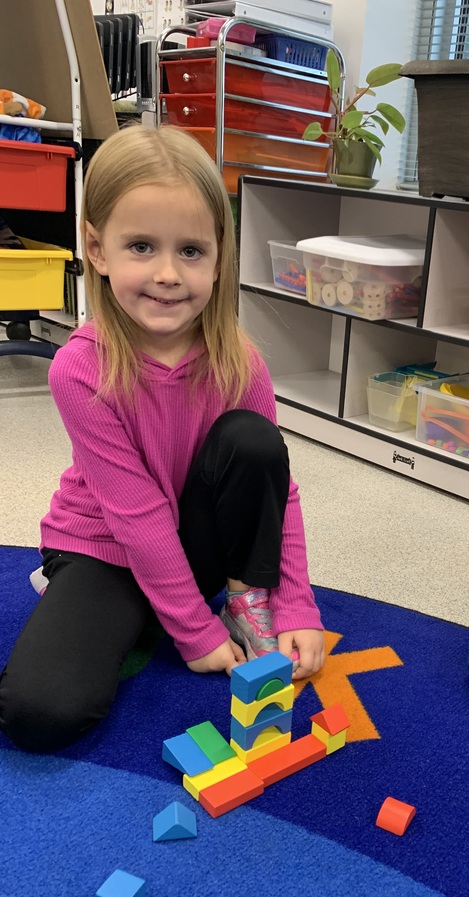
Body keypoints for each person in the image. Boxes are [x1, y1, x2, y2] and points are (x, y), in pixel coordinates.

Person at [0, 124, 325, 753]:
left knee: (254, 442)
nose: (168, 275)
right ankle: (106, 600)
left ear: (220, 255)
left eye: (192, 251)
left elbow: (276, 495)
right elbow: (139, 518)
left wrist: (296, 606)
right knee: (41, 713)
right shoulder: (80, 367)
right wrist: (194, 634)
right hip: (106, 545)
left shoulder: (240, 361)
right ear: (96, 248)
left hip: (197, 538)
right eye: (142, 247)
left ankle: (238, 597)